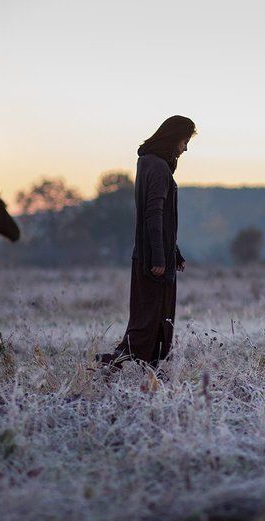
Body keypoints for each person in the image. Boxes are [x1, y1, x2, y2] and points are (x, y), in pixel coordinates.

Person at [99, 115, 196, 368]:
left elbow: (160, 220)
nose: (185, 148)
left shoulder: (148, 163)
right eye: (185, 141)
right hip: (153, 259)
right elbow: (153, 214)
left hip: (149, 254)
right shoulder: (159, 168)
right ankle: (115, 362)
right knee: (152, 320)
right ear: (174, 138)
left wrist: (174, 251)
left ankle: (150, 374)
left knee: (151, 318)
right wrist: (159, 258)